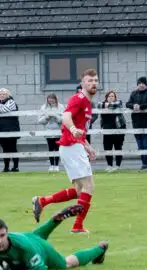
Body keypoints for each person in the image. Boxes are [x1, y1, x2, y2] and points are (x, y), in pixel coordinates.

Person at [31, 68, 98, 234]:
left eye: (95, 80)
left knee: (78, 191)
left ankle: (43, 201)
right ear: (82, 83)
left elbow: (80, 128)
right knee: (88, 187)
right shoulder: (79, 98)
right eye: (89, 80)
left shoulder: (87, 102)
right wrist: (74, 129)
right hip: (71, 147)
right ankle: (77, 226)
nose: (93, 83)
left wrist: (87, 146)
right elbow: (67, 116)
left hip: (72, 147)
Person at [0, 204, 108, 270]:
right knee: (35, 236)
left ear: (7, 233)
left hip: (38, 247)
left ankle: (99, 249)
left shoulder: (23, 246)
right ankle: (55, 220)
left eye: (3, 235)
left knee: (66, 264)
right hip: (28, 237)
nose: (0, 240)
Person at [98, 90, 126, 172]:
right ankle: (109, 165)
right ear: (106, 97)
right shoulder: (102, 103)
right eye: (109, 96)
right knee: (107, 148)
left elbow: (116, 105)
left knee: (118, 147)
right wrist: (105, 105)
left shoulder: (119, 102)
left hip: (118, 128)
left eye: (112, 96)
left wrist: (107, 105)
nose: (111, 97)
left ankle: (117, 165)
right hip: (106, 129)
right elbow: (99, 105)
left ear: (115, 97)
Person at [38, 93, 64, 172]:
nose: (51, 100)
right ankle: (51, 165)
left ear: (56, 99)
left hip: (58, 131)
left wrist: (56, 116)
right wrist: (46, 117)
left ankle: (56, 165)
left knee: (57, 148)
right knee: (50, 148)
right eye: (49, 99)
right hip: (48, 131)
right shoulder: (43, 107)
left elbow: (64, 119)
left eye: (53, 99)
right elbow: (40, 121)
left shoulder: (61, 107)